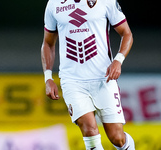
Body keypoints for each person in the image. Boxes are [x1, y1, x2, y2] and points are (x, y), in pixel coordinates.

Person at [41, 0, 134, 149]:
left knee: (117, 138)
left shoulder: (106, 1)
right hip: (72, 81)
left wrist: (118, 60)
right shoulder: (54, 4)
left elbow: (127, 33)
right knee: (89, 130)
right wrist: (48, 78)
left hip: (103, 78)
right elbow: (48, 43)